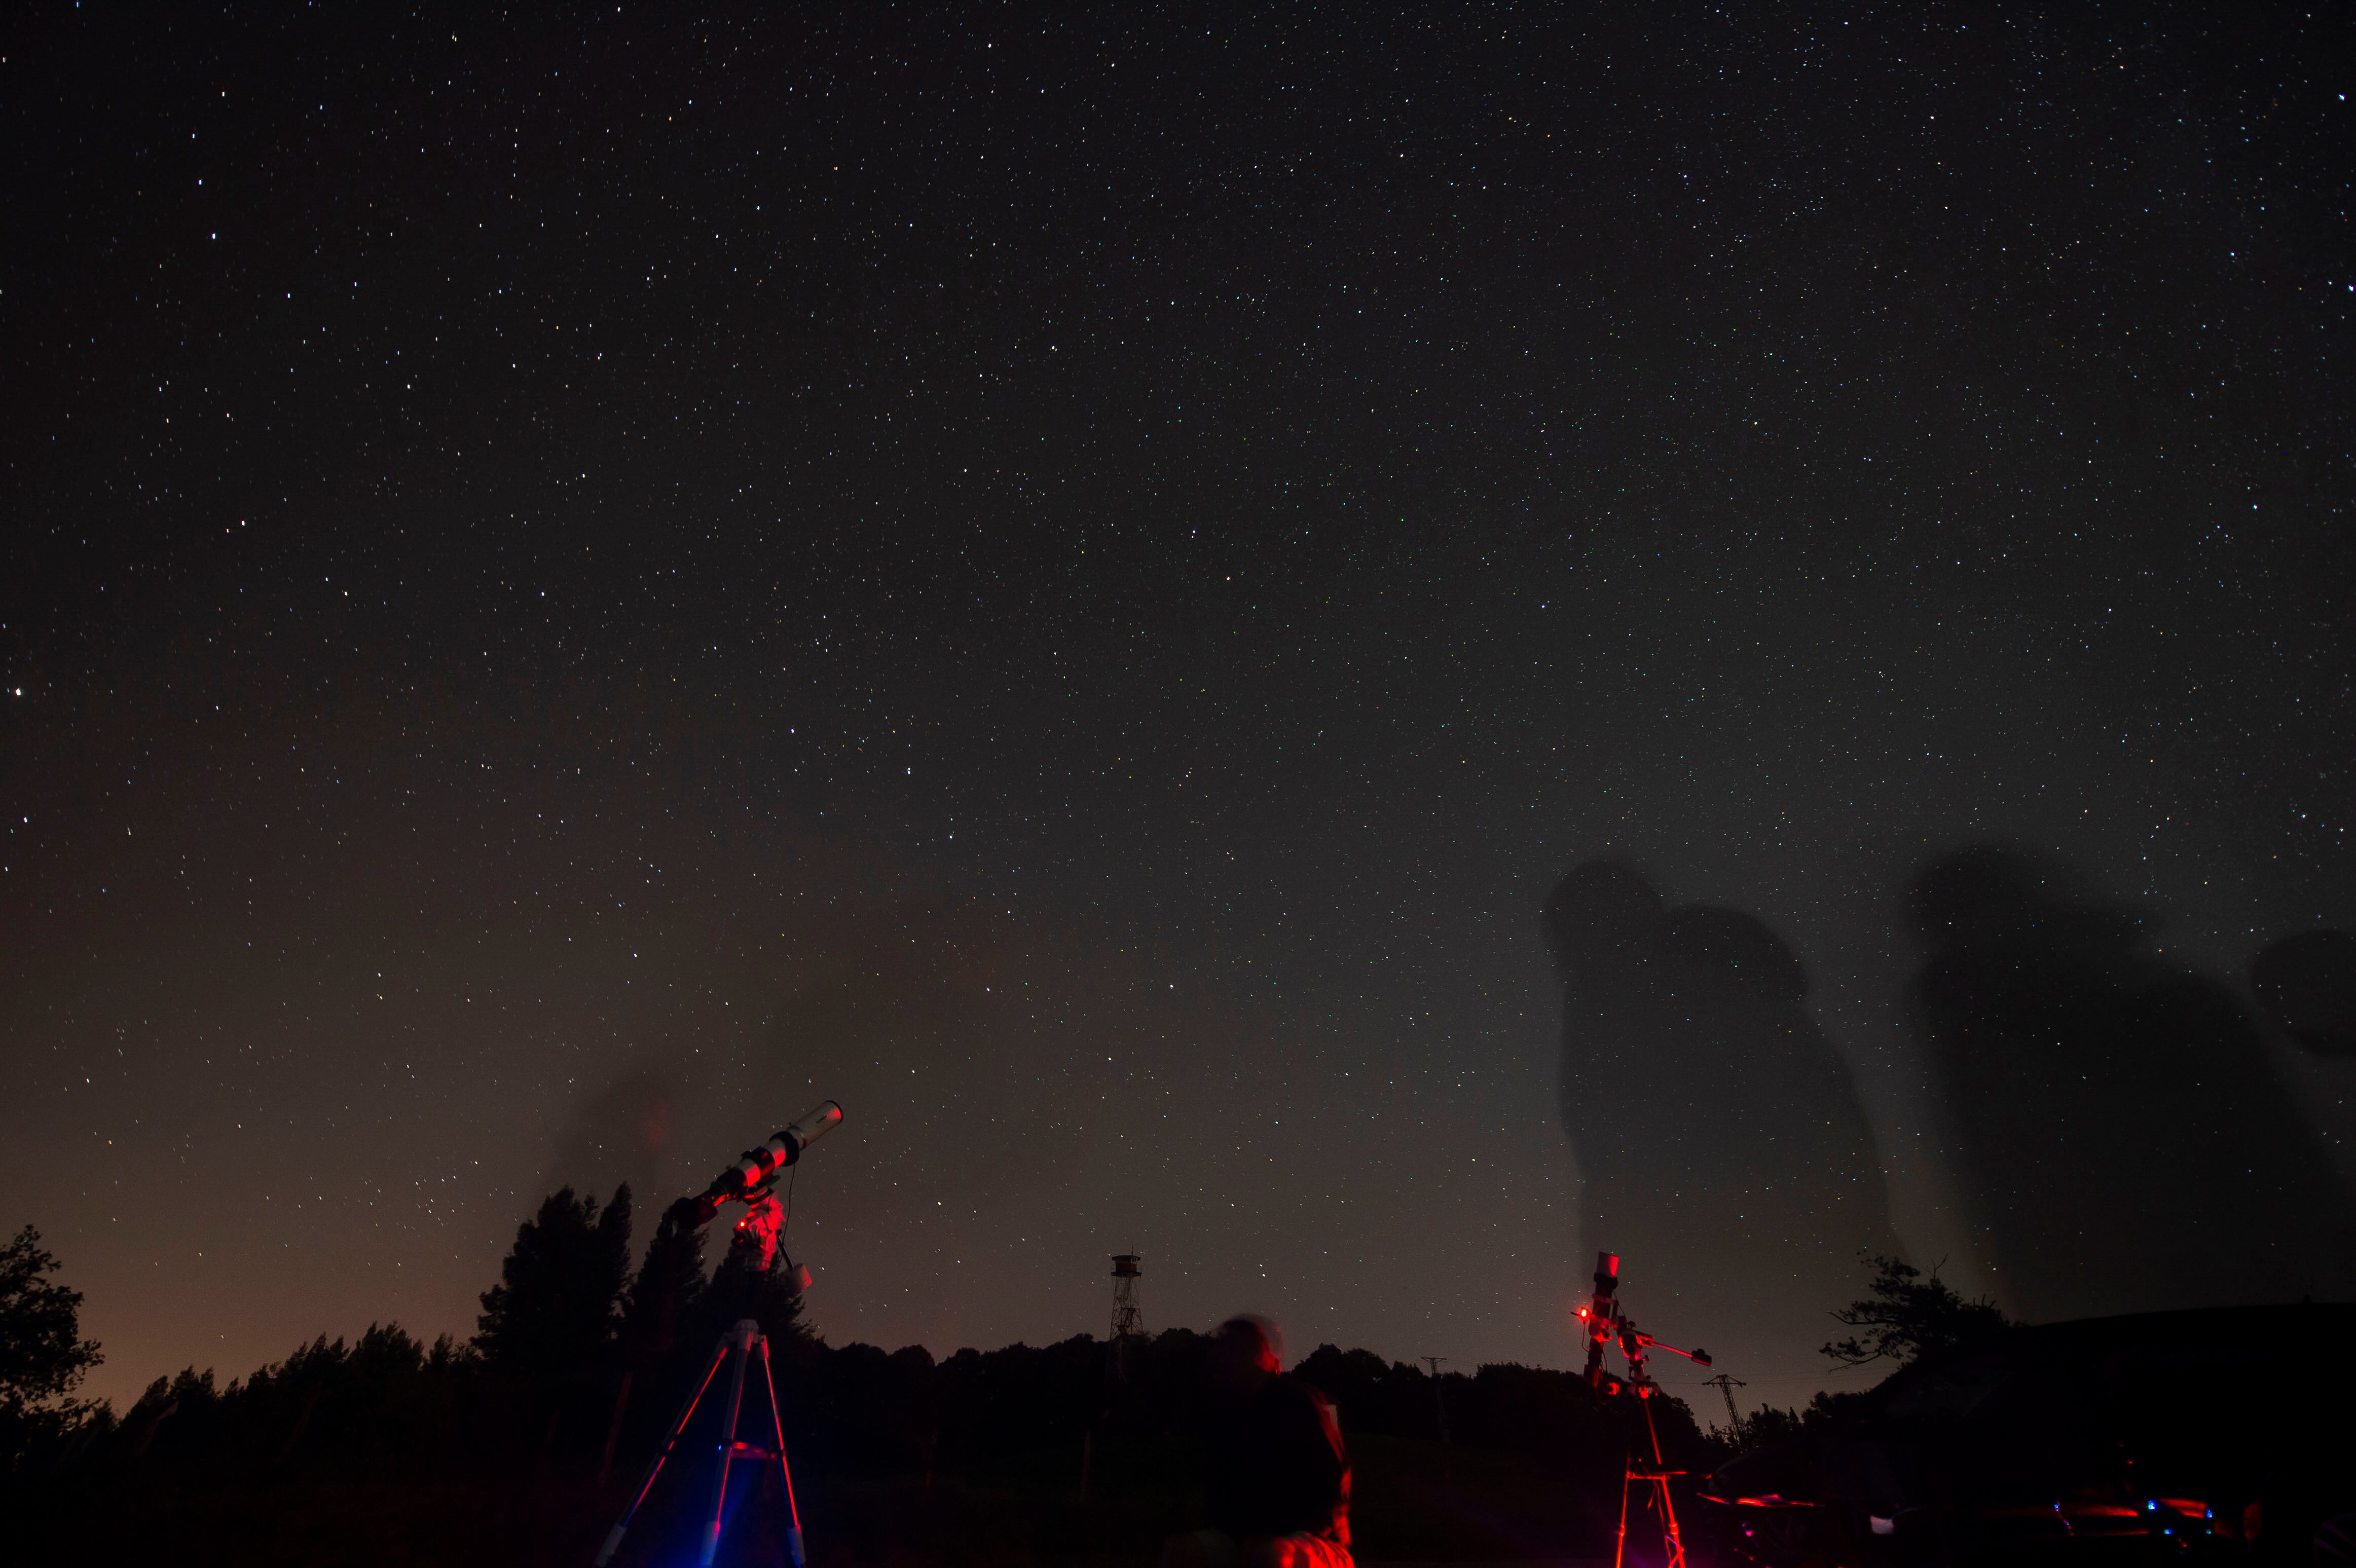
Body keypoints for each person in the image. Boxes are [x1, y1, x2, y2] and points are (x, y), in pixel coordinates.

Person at [1161, 1316, 1352, 1568]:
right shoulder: (1225, 1414)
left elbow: (1332, 1490)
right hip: (1244, 1538)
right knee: (1180, 1551)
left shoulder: (1299, 1403)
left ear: (1260, 1355)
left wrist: (1272, 1533)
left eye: (1239, 1349)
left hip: (1317, 1541)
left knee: (1270, 1556)